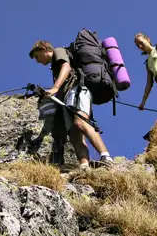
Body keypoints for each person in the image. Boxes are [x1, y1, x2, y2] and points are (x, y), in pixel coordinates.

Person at [29, 40, 115, 169]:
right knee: (75, 134)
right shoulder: (54, 67)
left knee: (81, 122)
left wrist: (55, 88)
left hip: (77, 90)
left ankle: (106, 157)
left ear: (45, 49)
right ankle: (84, 166)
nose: (37, 61)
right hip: (68, 98)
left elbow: (66, 67)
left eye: (37, 56)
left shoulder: (58, 51)